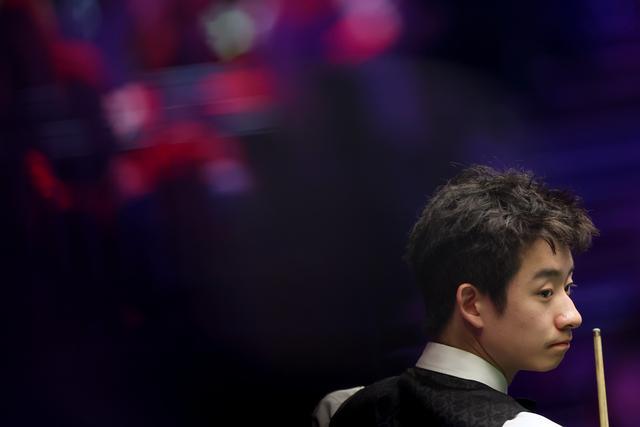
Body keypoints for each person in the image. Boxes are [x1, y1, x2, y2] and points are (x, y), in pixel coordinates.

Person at [313, 165, 598, 427]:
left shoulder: (339, 408)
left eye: (568, 287)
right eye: (545, 292)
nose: (573, 316)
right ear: (472, 304)